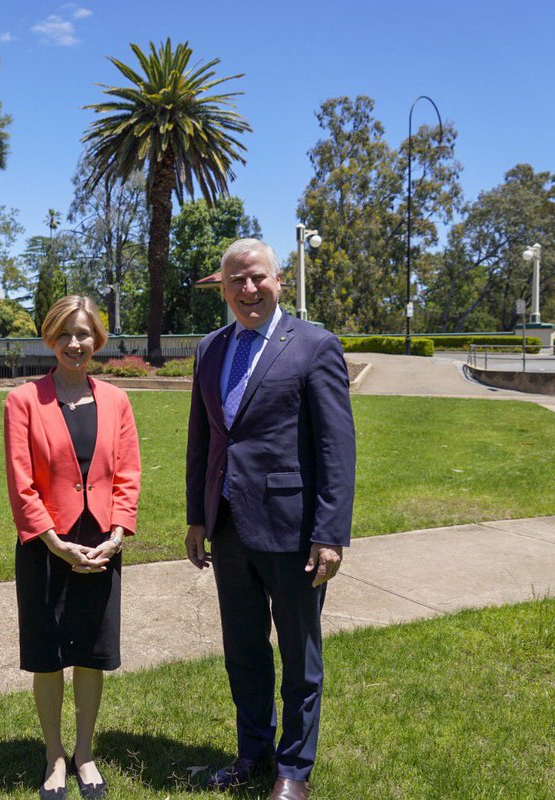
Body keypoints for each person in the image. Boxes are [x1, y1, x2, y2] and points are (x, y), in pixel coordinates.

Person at [184, 239, 356, 800]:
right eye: (235, 281)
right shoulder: (210, 349)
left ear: (278, 279)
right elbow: (203, 440)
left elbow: (336, 447)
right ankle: (252, 752)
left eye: (256, 278)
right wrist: (196, 517)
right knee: (244, 651)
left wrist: (330, 533)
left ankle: (294, 770)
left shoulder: (313, 346)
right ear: (222, 287)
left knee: (300, 656)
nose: (247, 290)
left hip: (292, 531)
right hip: (228, 527)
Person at [4, 295, 141, 800]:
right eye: (64, 334)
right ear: (50, 339)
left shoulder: (117, 400)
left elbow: (127, 473)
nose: (74, 344)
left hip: (102, 544)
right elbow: (22, 485)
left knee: (90, 654)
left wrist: (118, 535)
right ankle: (53, 755)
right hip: (46, 546)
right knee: (47, 657)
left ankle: (85, 752)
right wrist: (56, 545)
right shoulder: (23, 401)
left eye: (83, 334)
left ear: (97, 339)